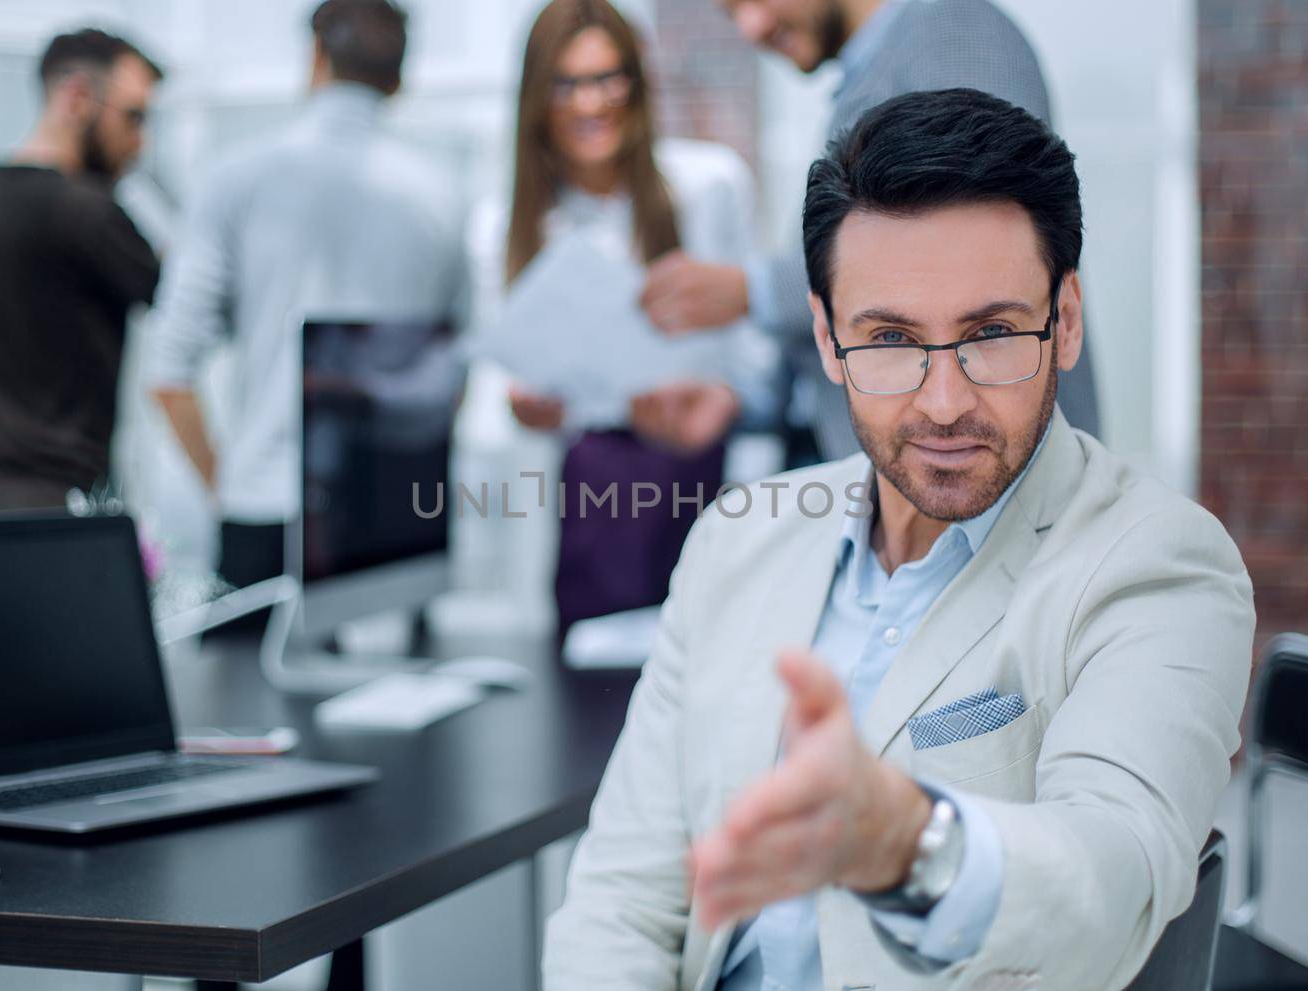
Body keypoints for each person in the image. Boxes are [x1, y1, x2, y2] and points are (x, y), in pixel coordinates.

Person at [544, 89, 1254, 990]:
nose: (944, 401)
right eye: (889, 339)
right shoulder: (738, 537)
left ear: (1065, 321)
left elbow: (1109, 878)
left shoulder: (1162, 566)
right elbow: (621, 899)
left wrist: (906, 844)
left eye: (992, 333)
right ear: (826, 337)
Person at [639, 0, 1101, 465]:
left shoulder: (953, 30)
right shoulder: (882, 63)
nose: (750, 27)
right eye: (729, 12)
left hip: (973, 478)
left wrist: (751, 290)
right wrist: (741, 403)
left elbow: (974, 255)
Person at [468, 0, 774, 635]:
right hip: (586, 500)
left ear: (637, 82)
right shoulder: (503, 228)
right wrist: (524, 410)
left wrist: (725, 397)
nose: (590, 103)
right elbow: (503, 387)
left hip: (699, 476)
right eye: (567, 83)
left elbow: (757, 355)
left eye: (608, 78)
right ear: (536, 97)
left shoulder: (709, 187)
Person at [146, 0, 464, 592]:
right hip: (392, 517)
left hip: (265, 511)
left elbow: (169, 372)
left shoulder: (236, 177)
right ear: (398, 78)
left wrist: (229, 486)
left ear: (315, 57)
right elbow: (451, 376)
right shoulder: (441, 196)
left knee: (245, 685)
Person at [0, 28, 162, 515]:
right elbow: (185, 300)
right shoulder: (89, 214)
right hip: (59, 510)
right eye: (133, 117)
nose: (139, 143)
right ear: (76, 97)